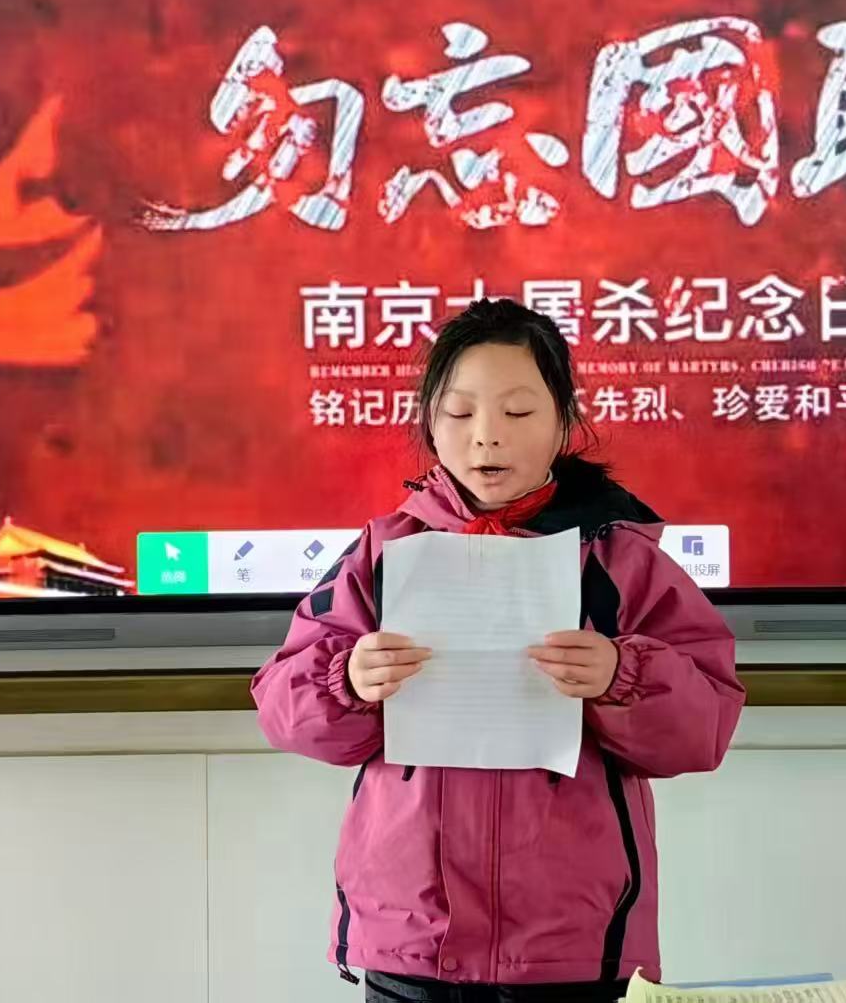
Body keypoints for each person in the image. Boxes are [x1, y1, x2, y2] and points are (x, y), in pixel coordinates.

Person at [252, 298, 745, 1000]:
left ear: (563, 422)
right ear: (429, 422)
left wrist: (622, 674)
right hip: (412, 939)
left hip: (572, 946)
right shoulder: (383, 552)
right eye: (459, 413)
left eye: (518, 412)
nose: (488, 437)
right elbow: (282, 704)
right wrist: (348, 680)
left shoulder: (622, 560)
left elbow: (705, 726)